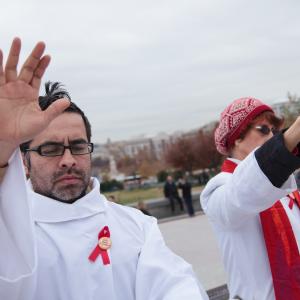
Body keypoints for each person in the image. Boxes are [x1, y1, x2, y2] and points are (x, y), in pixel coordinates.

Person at [0, 38, 208, 300]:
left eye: (77, 146)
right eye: (50, 149)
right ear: (24, 161)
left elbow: (175, 286)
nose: (68, 160)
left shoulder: (137, 226)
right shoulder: (10, 233)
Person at [200, 97, 300, 300]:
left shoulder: (282, 185)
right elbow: (244, 192)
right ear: (237, 138)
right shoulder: (218, 188)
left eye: (275, 130)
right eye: (264, 129)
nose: (272, 136)